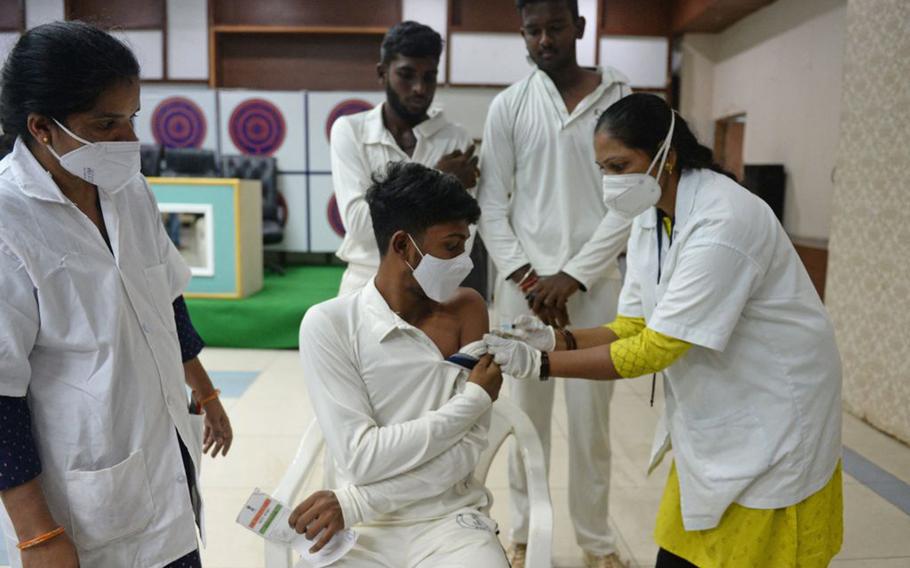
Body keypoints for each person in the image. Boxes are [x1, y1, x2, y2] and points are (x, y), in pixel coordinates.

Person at [485, 93, 844, 568]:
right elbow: (633, 324)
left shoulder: (723, 220)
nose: (611, 183)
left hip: (776, 405)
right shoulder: (652, 216)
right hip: (723, 410)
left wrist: (544, 364)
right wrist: (555, 339)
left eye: (620, 165)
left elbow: (656, 348)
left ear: (665, 156)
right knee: (685, 546)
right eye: (603, 170)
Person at [0, 21, 231, 568]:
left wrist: (206, 390)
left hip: (165, 464)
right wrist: (38, 537)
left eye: (132, 118)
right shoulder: (9, 222)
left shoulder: (128, 190)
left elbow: (165, 299)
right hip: (82, 506)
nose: (129, 141)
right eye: (106, 124)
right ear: (43, 127)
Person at [476, 0, 632, 566]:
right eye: (533, 30)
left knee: (593, 427)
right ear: (523, 34)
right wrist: (529, 278)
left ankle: (596, 544)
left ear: (580, 28)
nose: (544, 39)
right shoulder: (510, 106)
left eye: (556, 27)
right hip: (524, 294)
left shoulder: (621, 97)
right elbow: (492, 204)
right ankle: (522, 537)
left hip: (596, 289)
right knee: (526, 421)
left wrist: (574, 276)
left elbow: (630, 197)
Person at [293, 162, 509, 567]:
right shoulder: (330, 324)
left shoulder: (468, 309)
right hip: (360, 528)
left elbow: (468, 449)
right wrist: (473, 401)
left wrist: (358, 501)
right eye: (451, 247)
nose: (464, 262)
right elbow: (362, 458)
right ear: (402, 246)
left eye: (465, 246)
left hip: (450, 518)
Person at [333, 20, 480, 296]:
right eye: (406, 75)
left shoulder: (456, 140)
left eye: (429, 77)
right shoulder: (350, 131)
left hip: (432, 289)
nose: (419, 88)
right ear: (382, 73)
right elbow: (360, 225)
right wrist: (437, 179)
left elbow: (461, 239)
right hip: (364, 283)